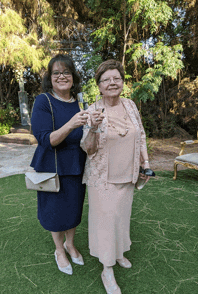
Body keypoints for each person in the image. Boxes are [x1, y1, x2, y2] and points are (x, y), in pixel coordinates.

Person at [80, 60, 151, 293]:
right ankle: (107, 268)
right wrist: (92, 127)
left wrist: (145, 165)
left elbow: (139, 135)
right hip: (102, 179)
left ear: (122, 82)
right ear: (99, 86)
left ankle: (119, 253)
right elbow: (87, 149)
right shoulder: (92, 111)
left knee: (121, 217)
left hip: (127, 175)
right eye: (106, 80)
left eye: (116, 78)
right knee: (106, 221)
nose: (112, 83)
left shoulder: (130, 105)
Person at [30, 54, 89, 275]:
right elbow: (46, 140)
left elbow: (88, 134)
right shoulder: (43, 101)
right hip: (52, 165)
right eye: (56, 73)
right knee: (55, 212)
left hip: (77, 163)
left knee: (74, 208)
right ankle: (59, 250)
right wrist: (72, 124)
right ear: (50, 77)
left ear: (73, 76)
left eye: (66, 72)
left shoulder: (81, 101)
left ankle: (70, 244)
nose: (62, 76)